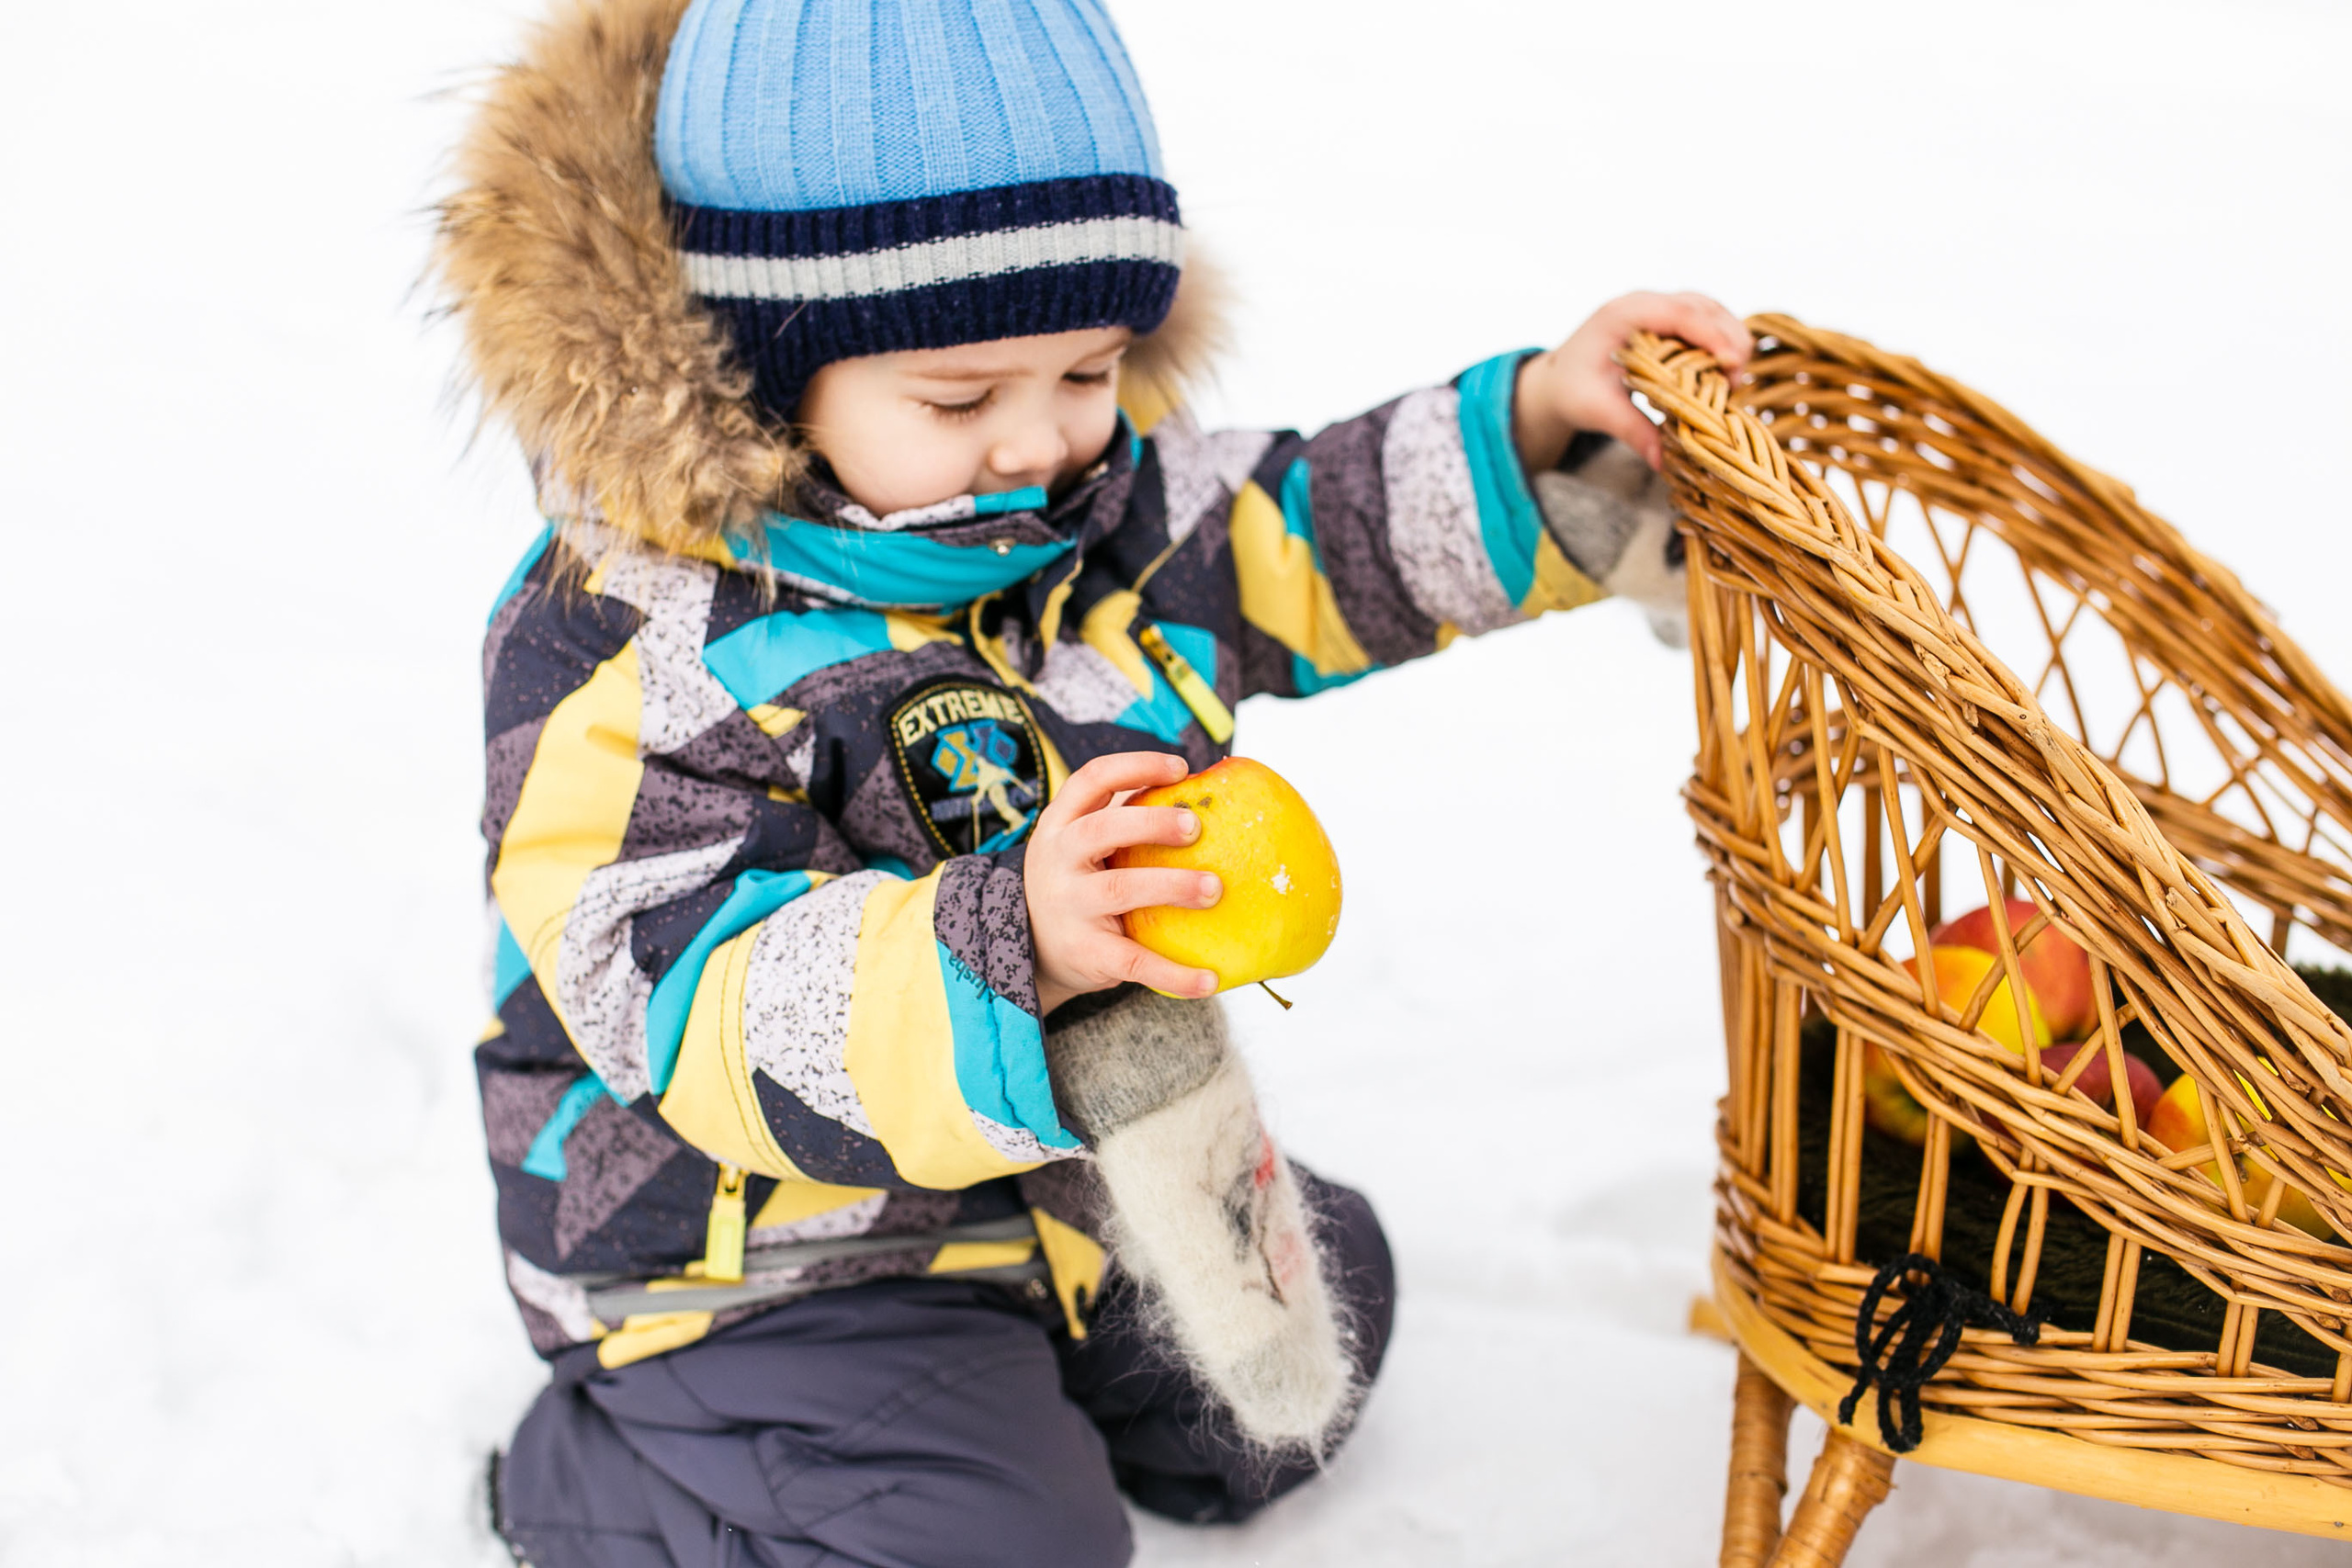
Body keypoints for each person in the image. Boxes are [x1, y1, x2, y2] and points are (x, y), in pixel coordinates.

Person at [434, 0, 1752, 1562]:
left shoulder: (1094, 509)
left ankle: (1022, 1364)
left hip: (1045, 1181)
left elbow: (1314, 529)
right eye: (959, 399)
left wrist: (1536, 437)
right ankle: (588, 1483)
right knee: (1012, 1541)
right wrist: (1016, 947)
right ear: (761, 369)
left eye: (1089, 367)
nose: (1040, 442)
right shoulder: (629, 642)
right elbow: (698, 1004)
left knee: (1307, 1348)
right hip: (752, 1253)